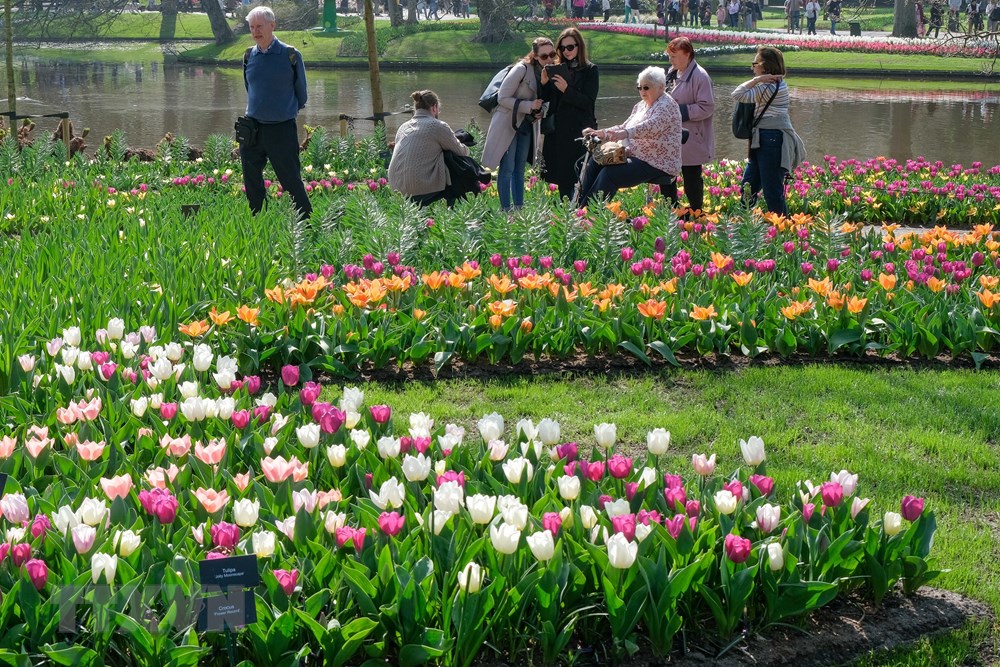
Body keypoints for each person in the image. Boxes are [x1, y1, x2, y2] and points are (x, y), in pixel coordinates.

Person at [239, 6, 312, 219]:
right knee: (250, 178)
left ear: (272, 25)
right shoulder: (247, 56)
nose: (255, 31)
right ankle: (258, 218)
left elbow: (302, 94)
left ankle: (306, 222)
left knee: (290, 180)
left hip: (281, 128)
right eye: (252, 27)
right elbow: (249, 87)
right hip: (251, 128)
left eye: (259, 26)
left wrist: (282, 109)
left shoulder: (290, 55)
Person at [577, 66, 681, 204]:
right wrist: (601, 133)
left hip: (657, 161)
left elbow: (650, 126)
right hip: (635, 155)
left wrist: (625, 133)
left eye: (646, 87)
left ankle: (590, 214)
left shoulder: (667, 105)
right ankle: (578, 207)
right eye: (640, 88)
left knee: (610, 174)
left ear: (661, 87)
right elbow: (624, 126)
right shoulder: (641, 106)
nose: (642, 91)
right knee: (595, 161)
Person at [731, 46, 805, 217]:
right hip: (766, 138)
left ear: (764, 67)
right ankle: (743, 226)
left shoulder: (766, 88)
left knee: (772, 191)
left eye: (754, 63)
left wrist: (757, 80)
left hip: (770, 140)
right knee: (749, 185)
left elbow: (737, 94)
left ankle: (782, 232)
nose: (752, 68)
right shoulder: (779, 83)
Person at [482, 38, 553, 211]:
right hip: (508, 122)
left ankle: (519, 209)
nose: (549, 59)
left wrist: (541, 111)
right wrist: (529, 106)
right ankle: (506, 210)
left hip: (527, 124)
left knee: (520, 168)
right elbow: (502, 98)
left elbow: (547, 99)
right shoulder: (521, 69)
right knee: (507, 167)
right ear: (535, 56)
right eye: (544, 56)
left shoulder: (550, 72)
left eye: (552, 54)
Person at [539, 28, 600, 200]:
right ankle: (566, 213)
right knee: (562, 177)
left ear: (579, 47)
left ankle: (580, 212)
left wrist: (567, 89)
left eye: (570, 47)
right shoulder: (557, 69)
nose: (566, 51)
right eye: (562, 48)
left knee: (580, 174)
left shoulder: (590, 70)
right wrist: (544, 84)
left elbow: (588, 103)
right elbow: (548, 102)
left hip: (580, 130)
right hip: (559, 130)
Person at [387, 90, 471, 207]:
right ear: (434, 107)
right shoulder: (437, 125)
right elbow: (462, 152)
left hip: (396, 187)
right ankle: (451, 212)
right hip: (418, 189)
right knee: (456, 163)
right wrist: (466, 147)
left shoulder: (403, 126)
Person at [664, 38, 714, 215]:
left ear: (687, 54)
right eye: (669, 56)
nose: (670, 60)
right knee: (666, 174)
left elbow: (706, 107)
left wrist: (678, 111)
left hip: (692, 136)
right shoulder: (673, 72)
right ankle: (672, 212)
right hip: (670, 136)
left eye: (674, 56)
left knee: (691, 176)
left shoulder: (700, 76)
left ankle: (696, 213)